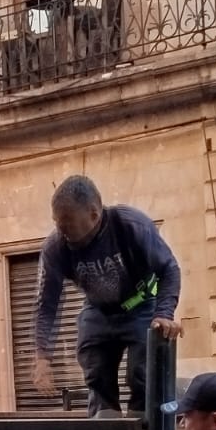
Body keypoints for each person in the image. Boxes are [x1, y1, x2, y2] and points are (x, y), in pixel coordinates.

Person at [34, 176, 182, 416]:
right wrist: (43, 356)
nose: (62, 231)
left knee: (144, 374)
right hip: (98, 312)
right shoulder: (55, 247)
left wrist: (164, 314)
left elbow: (169, 269)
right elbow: (46, 304)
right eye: (57, 223)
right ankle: (105, 427)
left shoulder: (132, 226)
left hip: (141, 306)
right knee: (97, 375)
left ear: (94, 214)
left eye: (68, 224)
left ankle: (143, 429)